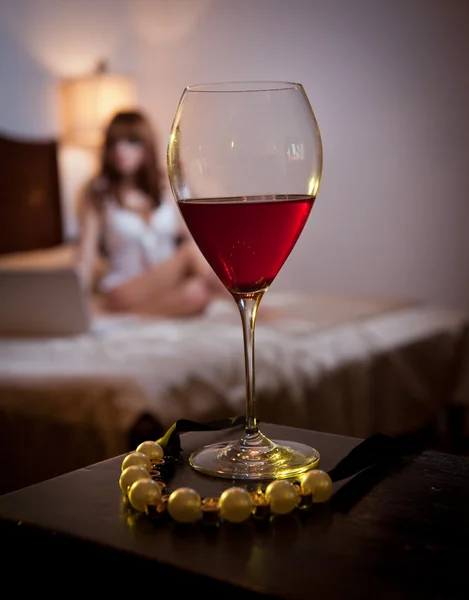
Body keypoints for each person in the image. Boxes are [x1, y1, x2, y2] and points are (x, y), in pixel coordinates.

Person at [76, 110, 221, 316]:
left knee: (196, 294)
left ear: (147, 145)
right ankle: (247, 302)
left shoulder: (166, 188)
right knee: (189, 254)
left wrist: (183, 181)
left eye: (131, 142)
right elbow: (86, 257)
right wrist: (75, 300)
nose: (121, 150)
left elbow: (198, 236)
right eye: (114, 143)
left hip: (164, 283)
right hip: (124, 287)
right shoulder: (98, 194)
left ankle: (123, 317)